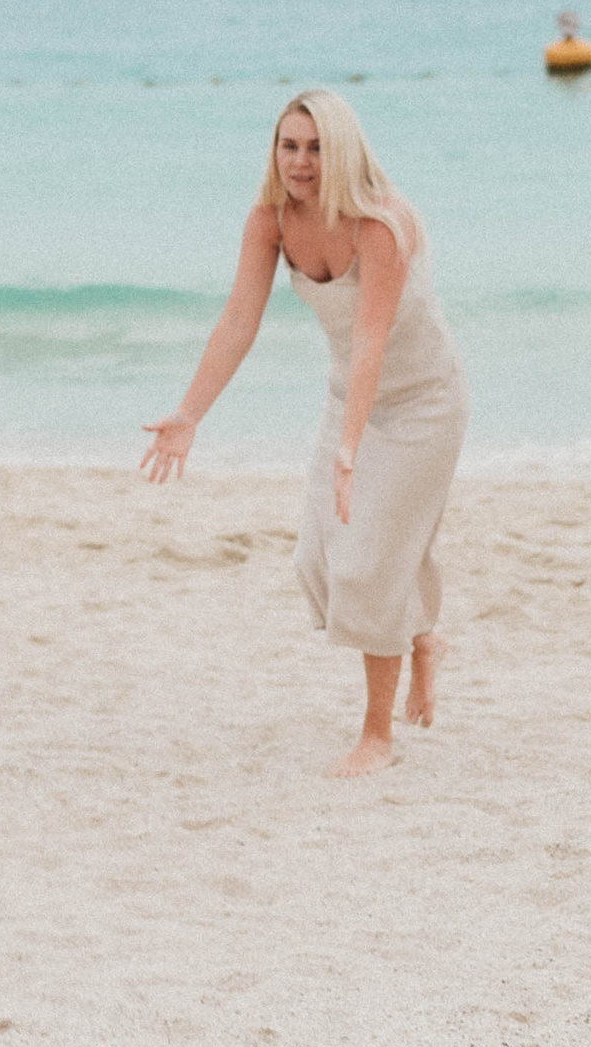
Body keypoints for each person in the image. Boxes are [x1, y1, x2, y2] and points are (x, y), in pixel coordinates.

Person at [141, 88, 468, 777]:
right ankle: (422, 640)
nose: (301, 160)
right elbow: (238, 320)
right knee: (316, 563)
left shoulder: (379, 224)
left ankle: (377, 736)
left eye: (317, 147)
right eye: (289, 145)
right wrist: (189, 413)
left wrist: (351, 449)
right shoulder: (270, 221)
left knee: (368, 560)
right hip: (349, 396)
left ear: (343, 150)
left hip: (421, 403)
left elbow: (372, 340)